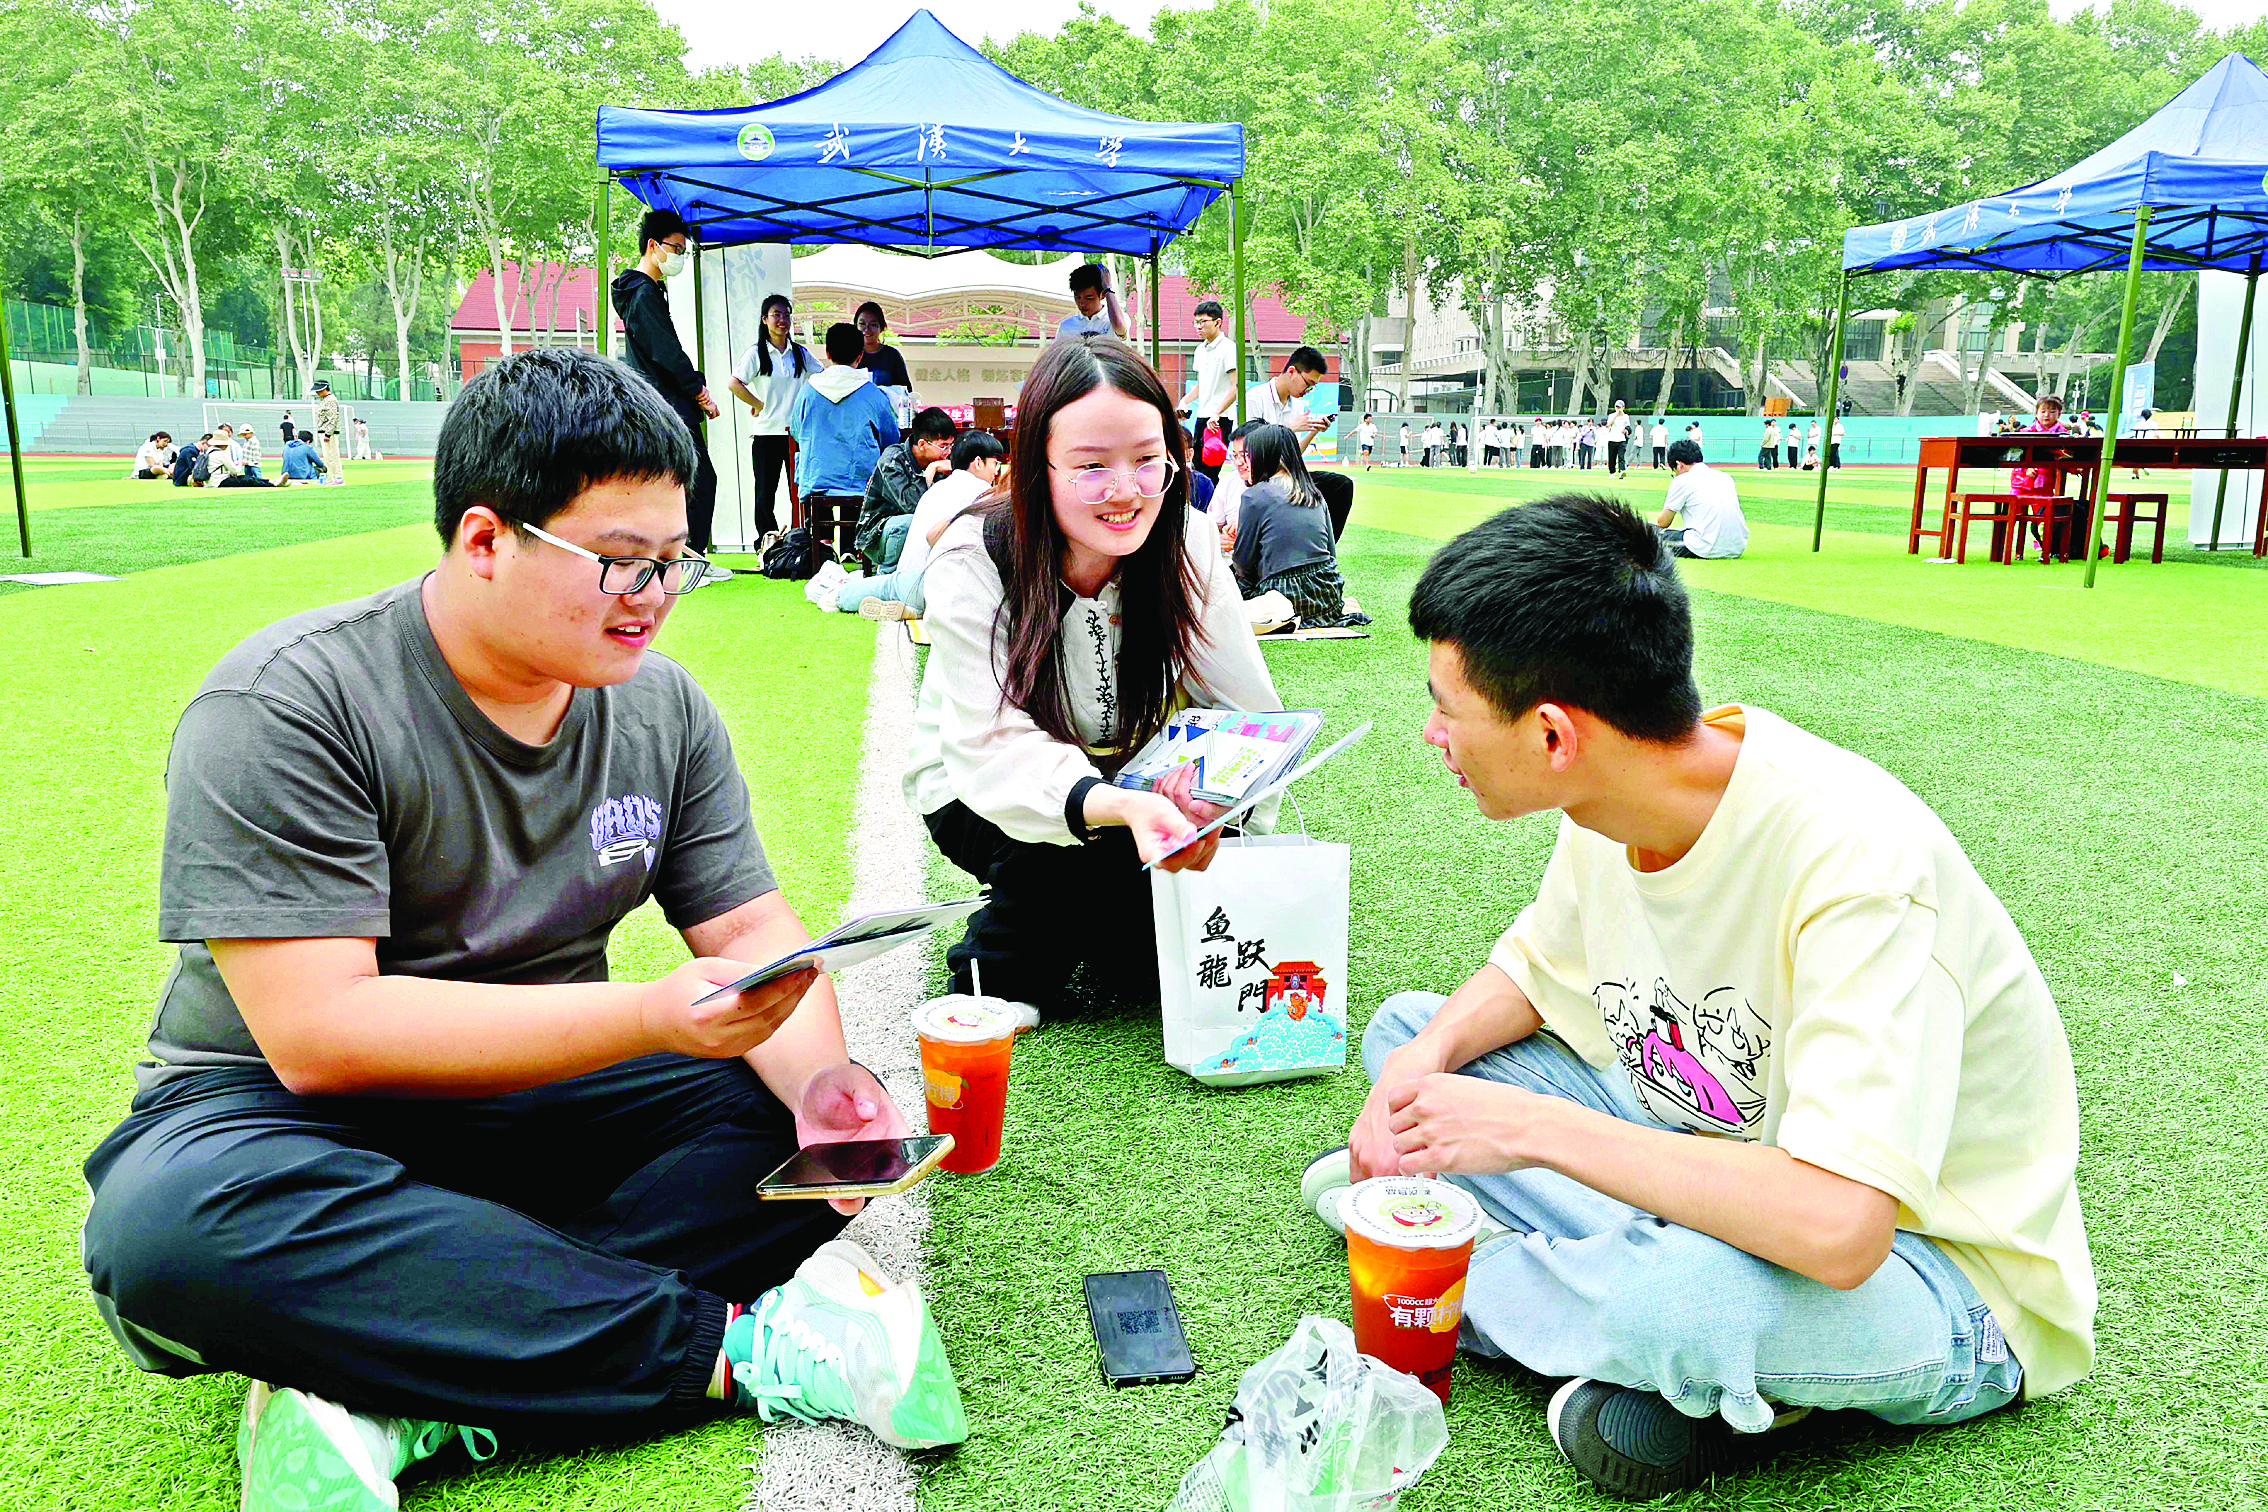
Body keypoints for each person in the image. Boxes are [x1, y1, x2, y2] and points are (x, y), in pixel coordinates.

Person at [80, 349, 966, 1512]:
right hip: (282, 1118)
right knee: (165, 1239)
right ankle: (736, 1353)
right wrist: (650, 1014)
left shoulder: (661, 710)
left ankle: (404, 1385)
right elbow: (321, 1034)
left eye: (673, 561)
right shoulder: (289, 703)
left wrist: (824, 1088)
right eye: (618, 562)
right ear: (485, 540)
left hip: (536, 1101)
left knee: (782, 1138)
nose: (653, 594)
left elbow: (748, 926)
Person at [1302, 494, 2094, 1499]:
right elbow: (1534, 974)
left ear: (1552, 733)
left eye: (1446, 709)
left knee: (1680, 1309)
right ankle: (1642, 1340)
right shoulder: (1605, 799)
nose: (1433, 736)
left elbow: (1841, 1227)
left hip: (1939, 1273)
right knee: (1413, 1034)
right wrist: (1419, 1069)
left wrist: (1533, 1131)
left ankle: (1471, 1274)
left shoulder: (1856, 866)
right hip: (1723, 1162)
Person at [906, 335, 1282, 1010]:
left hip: (1133, 786)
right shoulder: (976, 555)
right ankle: (999, 963)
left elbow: (1243, 709)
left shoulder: (1187, 540)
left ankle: (1090, 925)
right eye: (1089, 466)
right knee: (1068, 863)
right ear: (1035, 467)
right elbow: (989, 746)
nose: (1124, 492)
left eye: (1146, 461)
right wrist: (1121, 807)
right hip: (978, 791)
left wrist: (1217, 804)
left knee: (1154, 967)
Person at [610, 209, 727, 576]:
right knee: (699, 479)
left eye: (682, 250)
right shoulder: (643, 294)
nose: (678, 256)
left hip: (662, 402)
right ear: (652, 245)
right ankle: (688, 560)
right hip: (669, 403)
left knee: (680, 481)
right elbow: (667, 354)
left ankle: (681, 558)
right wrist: (699, 391)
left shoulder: (644, 292)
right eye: (675, 248)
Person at [834, 429, 1007, 620]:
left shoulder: (939, 488)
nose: (997, 470)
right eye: (995, 463)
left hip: (909, 581)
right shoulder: (982, 492)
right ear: (978, 462)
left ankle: (840, 595)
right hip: (940, 585)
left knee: (881, 587)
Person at [1228, 423, 1370, 630]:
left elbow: (1244, 562)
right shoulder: (1315, 494)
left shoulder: (1254, 495)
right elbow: (1331, 553)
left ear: (1262, 456)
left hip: (1283, 591)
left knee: (1226, 583)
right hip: (1327, 595)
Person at [785, 323, 904, 562]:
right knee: (863, 474)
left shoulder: (809, 391)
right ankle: (853, 546)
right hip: (861, 482)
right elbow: (891, 438)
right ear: (860, 356)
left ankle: (822, 544)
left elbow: (796, 432)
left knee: (821, 474)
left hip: (817, 478)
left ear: (827, 353)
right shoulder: (872, 393)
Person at [728, 294, 817, 539]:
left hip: (797, 435)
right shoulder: (757, 353)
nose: (783, 320)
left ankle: (801, 538)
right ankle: (766, 540)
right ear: (764, 319)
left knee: (799, 491)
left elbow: (822, 378)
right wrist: (757, 403)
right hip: (767, 434)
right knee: (765, 493)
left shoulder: (799, 353)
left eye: (787, 314)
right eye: (776, 314)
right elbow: (734, 383)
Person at [1247, 347, 1351, 537]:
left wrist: (1313, 430)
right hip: (1262, 474)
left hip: (1287, 474)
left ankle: (1323, 549)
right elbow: (1252, 448)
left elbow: (1292, 456)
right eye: (1308, 383)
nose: (1308, 390)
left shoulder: (1297, 405)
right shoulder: (1256, 397)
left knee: (1341, 485)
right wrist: (1290, 428)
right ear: (1292, 371)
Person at [854, 406, 960, 572]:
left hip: (923, 529)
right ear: (922, 444)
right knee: (908, 524)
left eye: (951, 446)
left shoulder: (943, 460)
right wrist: (930, 472)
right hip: (878, 533)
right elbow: (913, 506)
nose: (948, 452)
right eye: (944, 446)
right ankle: (887, 576)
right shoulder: (893, 460)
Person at [1653, 438, 1747, 558]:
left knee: (1645, 535)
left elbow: (1662, 522)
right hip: (1737, 547)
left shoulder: (1682, 480)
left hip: (1705, 547)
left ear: (1678, 464)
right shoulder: (1725, 477)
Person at [1189, 301, 1238, 481]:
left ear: (1217, 323)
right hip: (1203, 417)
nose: (1198, 327)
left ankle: (1212, 508)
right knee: (1197, 470)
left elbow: (1235, 386)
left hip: (1220, 420)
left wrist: (1217, 413)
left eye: (1203, 322)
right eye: (1196, 322)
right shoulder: (1200, 350)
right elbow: (1201, 385)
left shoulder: (1228, 348)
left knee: (1210, 472)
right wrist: (1183, 402)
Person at [853, 301, 914, 394]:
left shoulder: (892, 356)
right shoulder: (850, 354)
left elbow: (906, 391)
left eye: (873, 325)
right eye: (862, 324)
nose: (867, 329)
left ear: (882, 328)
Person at [1056, 263, 1128, 340]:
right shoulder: (1066, 327)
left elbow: (1119, 327)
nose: (1081, 303)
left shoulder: (1116, 320)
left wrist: (1107, 289)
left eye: (1089, 298)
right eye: (1078, 297)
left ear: (1102, 295)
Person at [205, 423, 274, 489]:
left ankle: (270, 481)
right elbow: (235, 471)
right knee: (247, 480)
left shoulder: (209, 451)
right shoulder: (221, 454)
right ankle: (271, 483)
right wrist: (240, 463)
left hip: (210, 481)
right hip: (219, 481)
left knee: (245, 478)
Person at [313, 382, 346, 484]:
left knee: (333, 456)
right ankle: (329, 478)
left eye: (319, 390)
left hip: (329, 433)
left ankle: (338, 477)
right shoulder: (325, 400)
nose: (317, 393)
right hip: (324, 431)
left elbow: (333, 418)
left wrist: (328, 433)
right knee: (327, 457)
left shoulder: (331, 400)